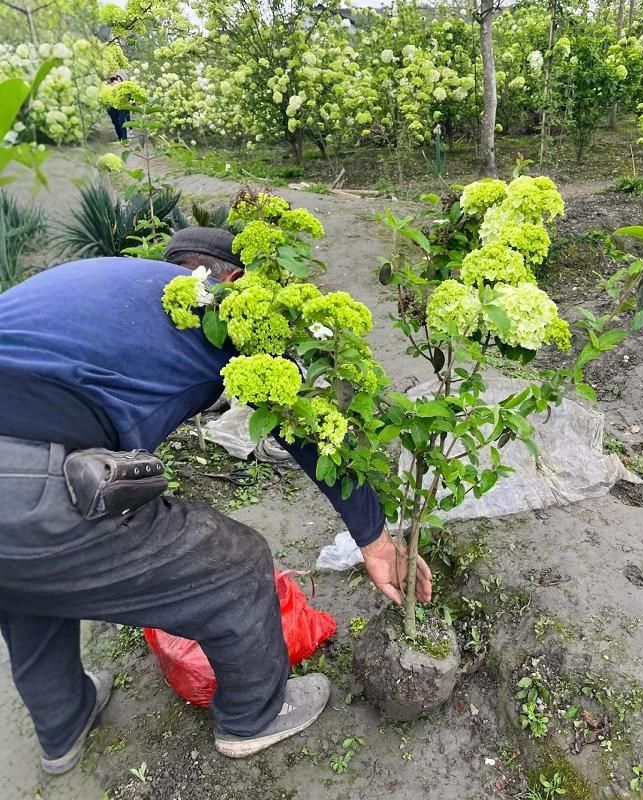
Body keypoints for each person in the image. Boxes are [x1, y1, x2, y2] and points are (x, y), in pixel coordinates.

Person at [0, 227, 432, 774]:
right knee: (235, 565)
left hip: (16, 470)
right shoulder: (221, 308)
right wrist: (375, 539)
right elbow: (305, 426)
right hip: (22, 472)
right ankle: (256, 716)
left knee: (24, 583)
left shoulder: (112, 281)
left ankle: (63, 724)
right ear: (234, 280)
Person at [105, 74, 131, 142]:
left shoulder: (121, 83)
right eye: (112, 79)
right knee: (115, 122)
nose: (113, 80)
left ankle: (125, 139)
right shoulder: (106, 86)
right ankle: (120, 137)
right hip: (111, 106)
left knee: (121, 121)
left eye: (114, 78)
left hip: (121, 104)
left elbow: (128, 94)